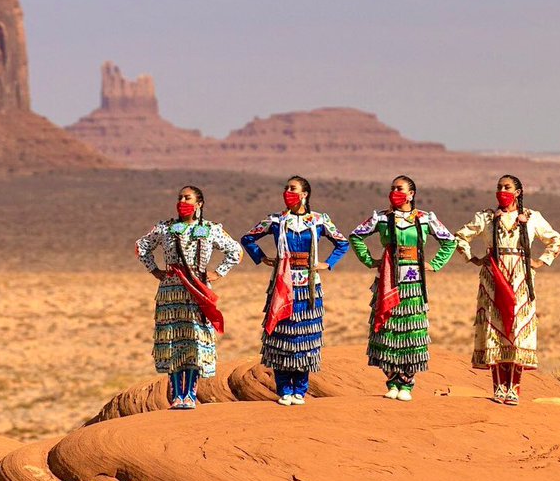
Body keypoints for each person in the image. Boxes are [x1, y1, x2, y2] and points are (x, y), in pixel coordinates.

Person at [452, 175, 560, 406]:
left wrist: (540, 261)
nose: (502, 191)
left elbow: (557, 240)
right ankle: (498, 388)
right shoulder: (485, 217)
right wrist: (473, 258)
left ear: (518, 192)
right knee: (495, 329)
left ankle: (513, 388)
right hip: (493, 277)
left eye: (507, 187)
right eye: (499, 187)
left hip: (520, 278)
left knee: (517, 329)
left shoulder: (532, 217)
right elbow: (460, 237)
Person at [240, 175, 350, 406]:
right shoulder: (275, 220)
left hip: (309, 286)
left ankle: (300, 389)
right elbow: (248, 238)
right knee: (282, 334)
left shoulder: (319, 220)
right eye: (286, 188)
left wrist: (328, 263)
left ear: (304, 194)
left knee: (306, 335)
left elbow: (342, 242)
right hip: (283, 284)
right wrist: (262, 258)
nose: (288, 192)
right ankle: (284, 389)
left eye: (293, 188)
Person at [348, 175, 457, 401]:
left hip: (414, 282)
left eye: (399, 188)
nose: (395, 192)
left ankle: (407, 384)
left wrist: (435, 264)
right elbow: (356, 236)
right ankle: (392, 382)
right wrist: (370, 260)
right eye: (392, 188)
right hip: (388, 279)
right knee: (387, 329)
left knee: (411, 330)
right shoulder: (381, 217)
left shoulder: (425, 218)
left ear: (411, 194)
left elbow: (449, 241)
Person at [135, 185, 243, 409]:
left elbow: (235, 251)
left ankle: (190, 395)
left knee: (195, 338)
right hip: (171, 292)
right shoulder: (165, 228)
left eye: (187, 198)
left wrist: (218, 273)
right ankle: (177, 395)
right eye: (180, 198)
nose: (182, 201)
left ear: (199, 203)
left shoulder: (211, 229)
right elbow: (141, 246)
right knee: (174, 339)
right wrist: (154, 270)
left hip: (198, 291)